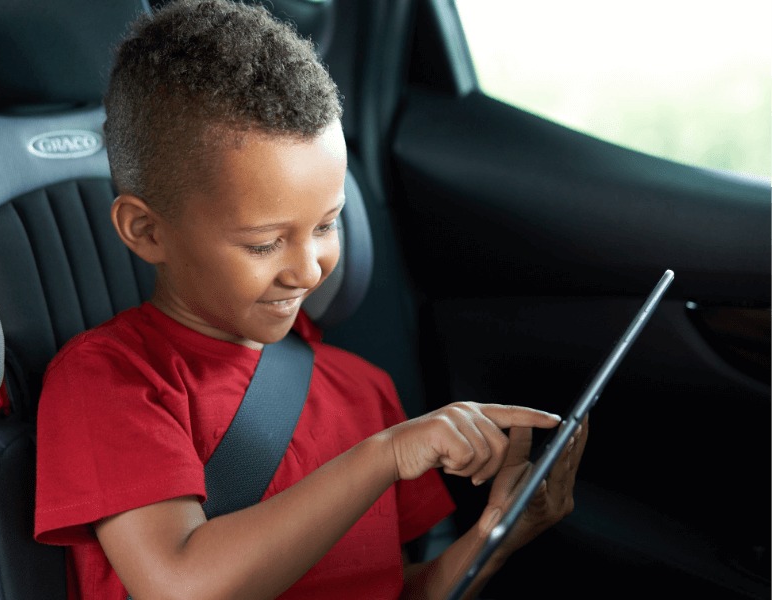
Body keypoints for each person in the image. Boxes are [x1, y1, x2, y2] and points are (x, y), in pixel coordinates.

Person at [33, 1, 588, 599]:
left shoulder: (361, 389)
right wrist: (383, 456)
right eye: (266, 242)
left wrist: (494, 537)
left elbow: (395, 591)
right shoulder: (109, 381)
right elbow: (181, 586)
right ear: (148, 231)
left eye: (327, 225)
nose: (308, 269)